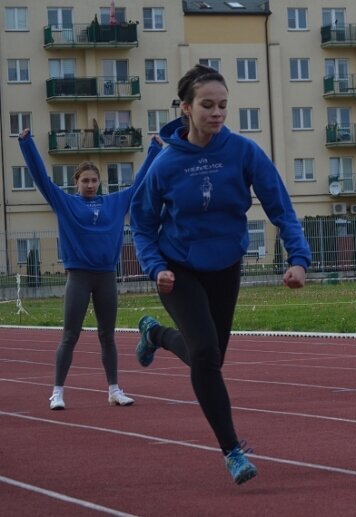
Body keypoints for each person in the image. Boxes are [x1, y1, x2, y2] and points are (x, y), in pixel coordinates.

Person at [130, 64, 311, 485]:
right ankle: (232, 451)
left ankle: (155, 334)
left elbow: (279, 207)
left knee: (207, 357)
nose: (217, 113)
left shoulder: (243, 152)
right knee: (207, 355)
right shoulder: (166, 163)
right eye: (207, 105)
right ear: (186, 109)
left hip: (225, 265)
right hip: (179, 269)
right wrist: (155, 268)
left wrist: (299, 258)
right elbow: (141, 224)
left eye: (223, 105)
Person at [18, 128, 162, 410]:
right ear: (76, 182)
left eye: (94, 180)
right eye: (85, 180)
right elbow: (41, 179)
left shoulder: (115, 202)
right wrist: (27, 143)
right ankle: (57, 392)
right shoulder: (66, 203)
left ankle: (114, 390)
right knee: (70, 335)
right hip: (79, 277)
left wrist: (155, 149)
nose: (90, 184)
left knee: (107, 336)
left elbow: (140, 182)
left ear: (100, 182)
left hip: (106, 276)